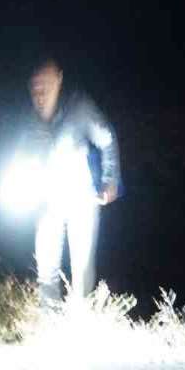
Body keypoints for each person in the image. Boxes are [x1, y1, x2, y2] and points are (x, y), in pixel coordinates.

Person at [24, 59, 120, 306]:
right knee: (46, 269)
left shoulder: (79, 108)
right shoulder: (28, 120)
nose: (40, 93)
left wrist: (111, 180)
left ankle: (81, 323)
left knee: (82, 268)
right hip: (46, 201)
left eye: (45, 84)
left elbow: (107, 139)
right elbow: (19, 156)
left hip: (81, 199)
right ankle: (49, 324)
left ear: (59, 80)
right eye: (35, 87)